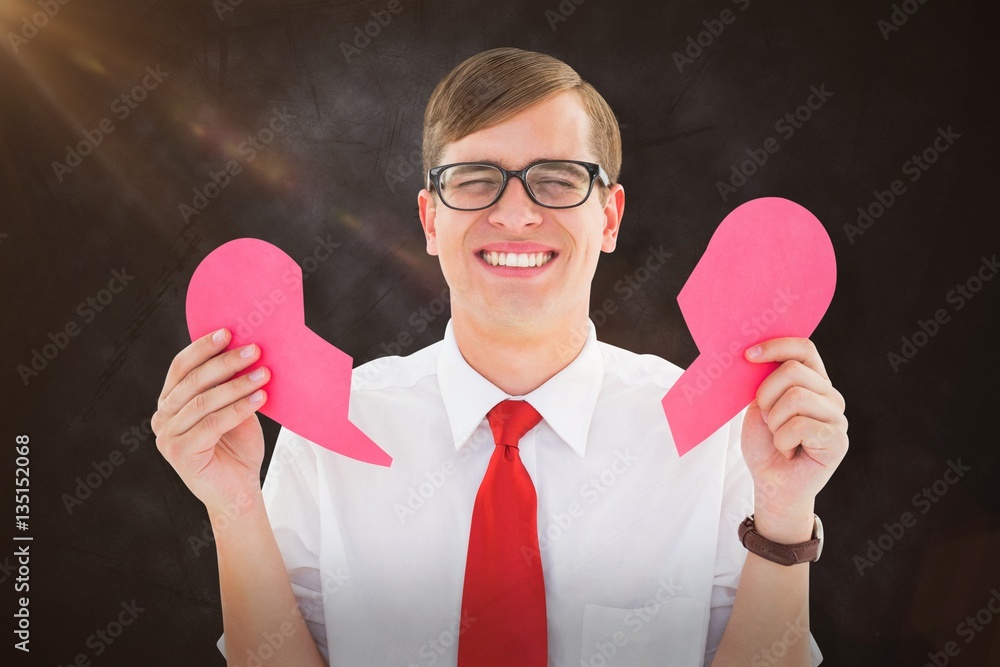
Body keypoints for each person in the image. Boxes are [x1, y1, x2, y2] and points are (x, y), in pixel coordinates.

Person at [152, 47, 848, 666]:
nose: (515, 214)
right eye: (477, 178)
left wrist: (786, 512)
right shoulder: (332, 430)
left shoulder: (718, 438)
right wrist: (233, 505)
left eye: (557, 178)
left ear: (608, 217)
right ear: (431, 218)